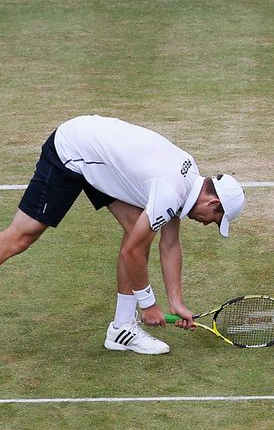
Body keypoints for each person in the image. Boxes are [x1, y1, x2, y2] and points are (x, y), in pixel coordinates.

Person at [0, 115, 245, 355]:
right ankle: (125, 325)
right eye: (215, 220)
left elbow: (170, 244)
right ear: (213, 203)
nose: (207, 224)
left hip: (98, 154)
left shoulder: (189, 178)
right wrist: (148, 304)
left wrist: (176, 301)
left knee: (136, 229)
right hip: (72, 150)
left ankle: (122, 329)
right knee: (21, 237)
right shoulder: (171, 192)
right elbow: (132, 252)